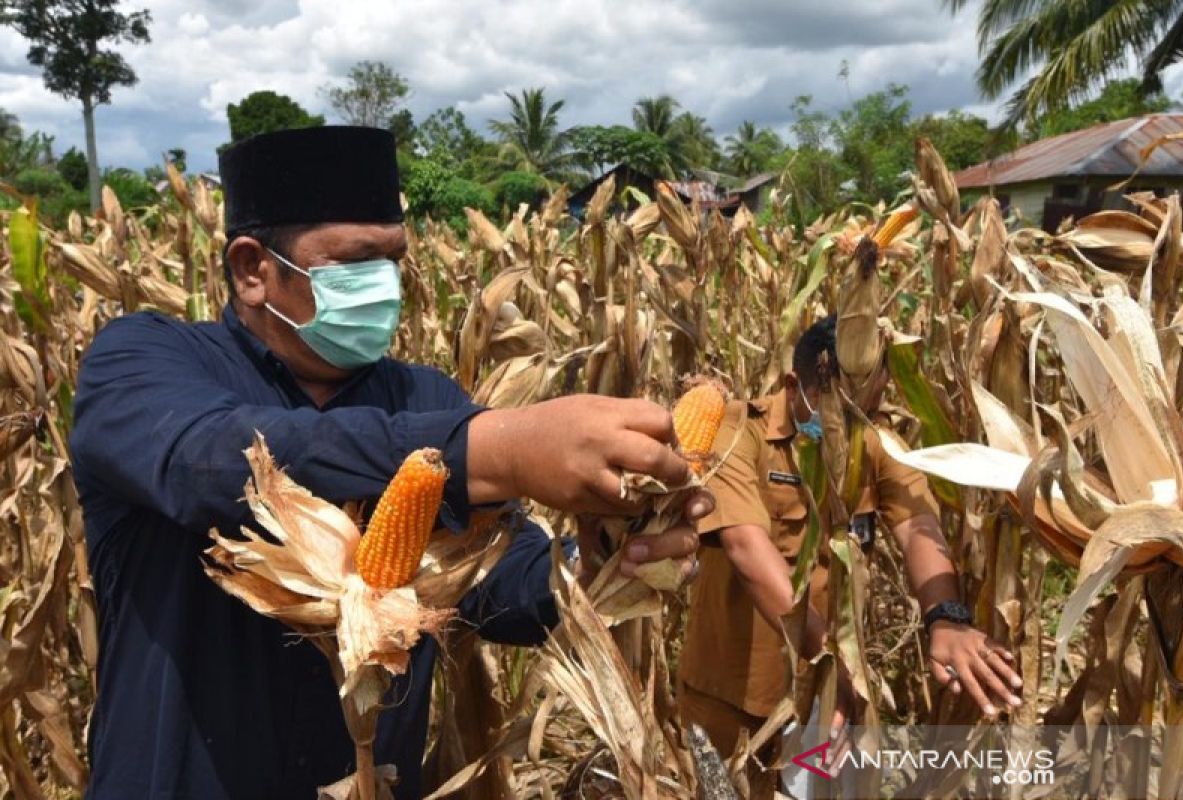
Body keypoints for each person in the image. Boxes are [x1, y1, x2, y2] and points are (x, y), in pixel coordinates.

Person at [69, 126, 707, 800]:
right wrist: (489, 451)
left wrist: (596, 565)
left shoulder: (424, 395)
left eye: (394, 260)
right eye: (355, 262)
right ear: (253, 269)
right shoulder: (141, 361)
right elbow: (208, 463)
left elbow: (493, 579)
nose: (384, 285)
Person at [676, 315, 1024, 798]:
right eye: (840, 407)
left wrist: (945, 616)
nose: (856, 422)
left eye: (873, 401)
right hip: (729, 695)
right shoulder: (737, 431)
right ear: (794, 385)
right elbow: (745, 547)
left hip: (826, 700)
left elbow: (918, 524)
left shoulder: (875, 441)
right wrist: (828, 662)